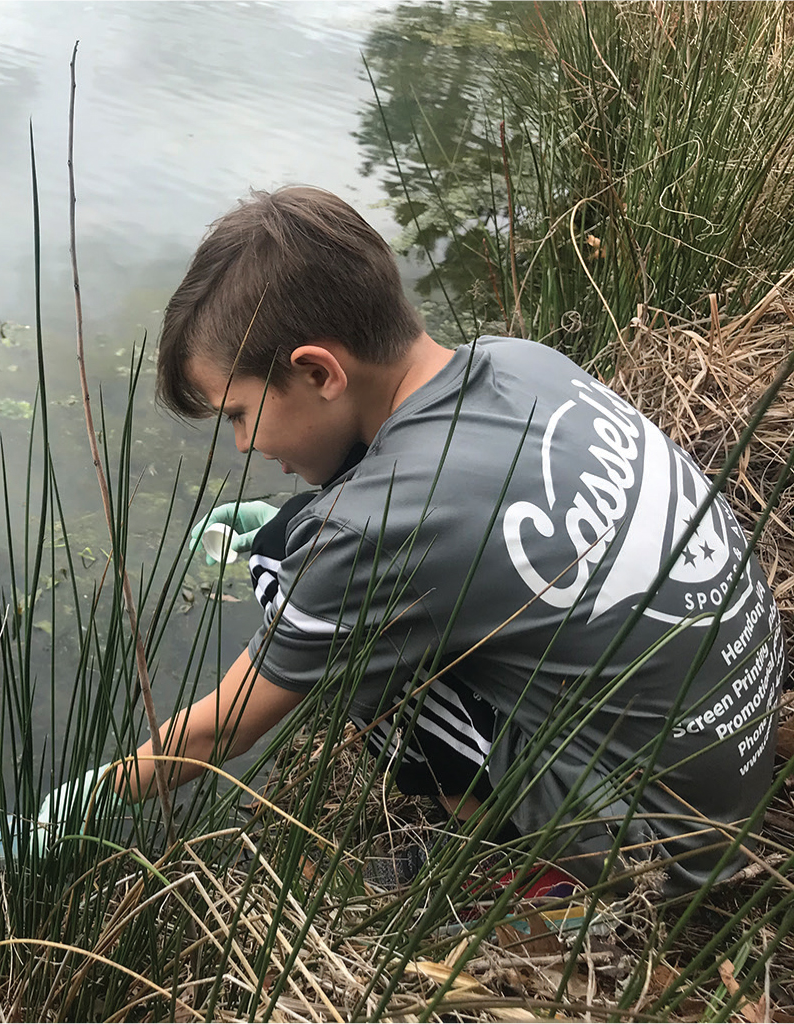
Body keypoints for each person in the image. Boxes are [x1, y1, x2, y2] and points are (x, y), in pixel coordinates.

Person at [45, 186, 785, 896]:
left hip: (653, 843)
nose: (240, 446)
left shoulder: (373, 531)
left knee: (297, 589)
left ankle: (545, 873)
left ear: (316, 370)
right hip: (733, 743)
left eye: (238, 414)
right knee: (305, 554)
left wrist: (58, 815)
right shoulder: (520, 359)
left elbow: (218, 733)